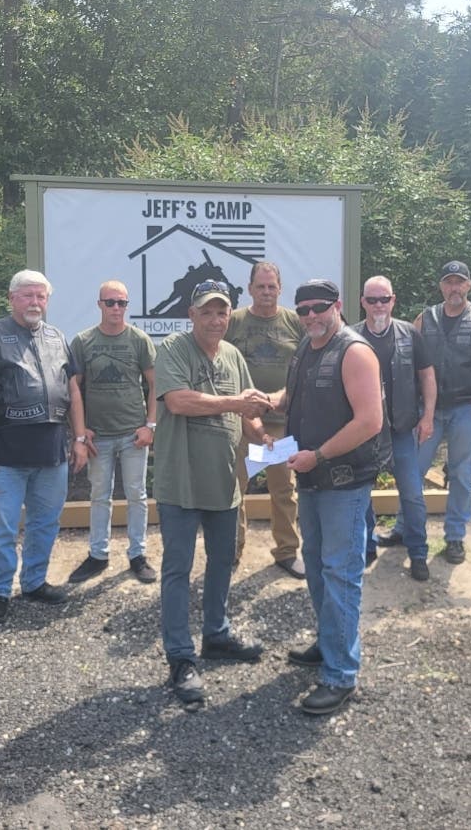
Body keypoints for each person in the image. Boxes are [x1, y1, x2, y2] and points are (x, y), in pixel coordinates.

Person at [153, 279, 272, 705]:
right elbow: (179, 402)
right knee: (177, 569)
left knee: (223, 560)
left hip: (224, 480)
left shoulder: (234, 356)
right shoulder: (172, 349)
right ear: (192, 315)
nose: (216, 319)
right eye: (207, 311)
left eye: (222, 312)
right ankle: (180, 658)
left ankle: (217, 634)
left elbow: (246, 412)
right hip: (180, 481)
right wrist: (236, 404)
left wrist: (264, 438)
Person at [272, 279, 388, 715]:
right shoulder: (306, 347)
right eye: (303, 310)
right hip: (312, 480)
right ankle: (328, 644)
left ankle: (341, 676)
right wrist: (262, 400)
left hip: (343, 482)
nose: (310, 316)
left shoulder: (354, 352)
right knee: (319, 570)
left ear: (337, 305)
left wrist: (317, 454)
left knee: (340, 575)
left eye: (319, 307)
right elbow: (292, 399)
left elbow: (370, 421)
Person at [377, 260, 471, 565]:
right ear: (441, 286)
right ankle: (403, 529)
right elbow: (406, 359)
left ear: (469, 286)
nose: (454, 288)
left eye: (460, 282)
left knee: (461, 474)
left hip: (467, 408)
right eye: (449, 282)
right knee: (412, 470)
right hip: (428, 410)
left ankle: (455, 537)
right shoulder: (425, 318)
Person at [0, 270, 89, 625]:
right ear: (12, 298)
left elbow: (73, 390)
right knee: (1, 530)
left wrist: (79, 438)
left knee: (45, 522)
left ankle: (34, 582)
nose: (35, 303)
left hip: (52, 452)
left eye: (41, 297)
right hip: (4, 454)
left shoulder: (57, 337)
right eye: (28, 296)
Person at [68, 280, 158, 584]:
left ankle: (138, 554)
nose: (116, 308)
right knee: (99, 495)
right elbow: (74, 388)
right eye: (110, 303)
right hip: (99, 436)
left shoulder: (139, 340)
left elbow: (155, 384)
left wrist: (151, 426)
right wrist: (80, 433)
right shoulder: (83, 341)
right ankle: (98, 555)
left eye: (122, 303)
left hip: (134, 433)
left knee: (137, 494)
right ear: (99, 305)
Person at [352, 276, 436, 580]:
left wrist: (428, 416)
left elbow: (427, 376)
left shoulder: (409, 334)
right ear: (362, 302)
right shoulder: (349, 337)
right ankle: (367, 547)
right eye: (371, 299)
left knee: (412, 495)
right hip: (364, 432)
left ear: (393, 300)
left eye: (383, 299)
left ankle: (418, 552)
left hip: (401, 429)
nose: (378, 305)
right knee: (360, 495)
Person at [225, 262, 306, 578]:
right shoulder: (235, 322)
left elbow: (303, 369)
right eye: (261, 286)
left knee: (284, 491)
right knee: (233, 491)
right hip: (241, 423)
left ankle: (286, 552)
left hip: (280, 425)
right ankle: (231, 552)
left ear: (280, 288)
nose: (267, 292)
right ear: (250, 289)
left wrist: (276, 400)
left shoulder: (293, 323)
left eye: (272, 286)